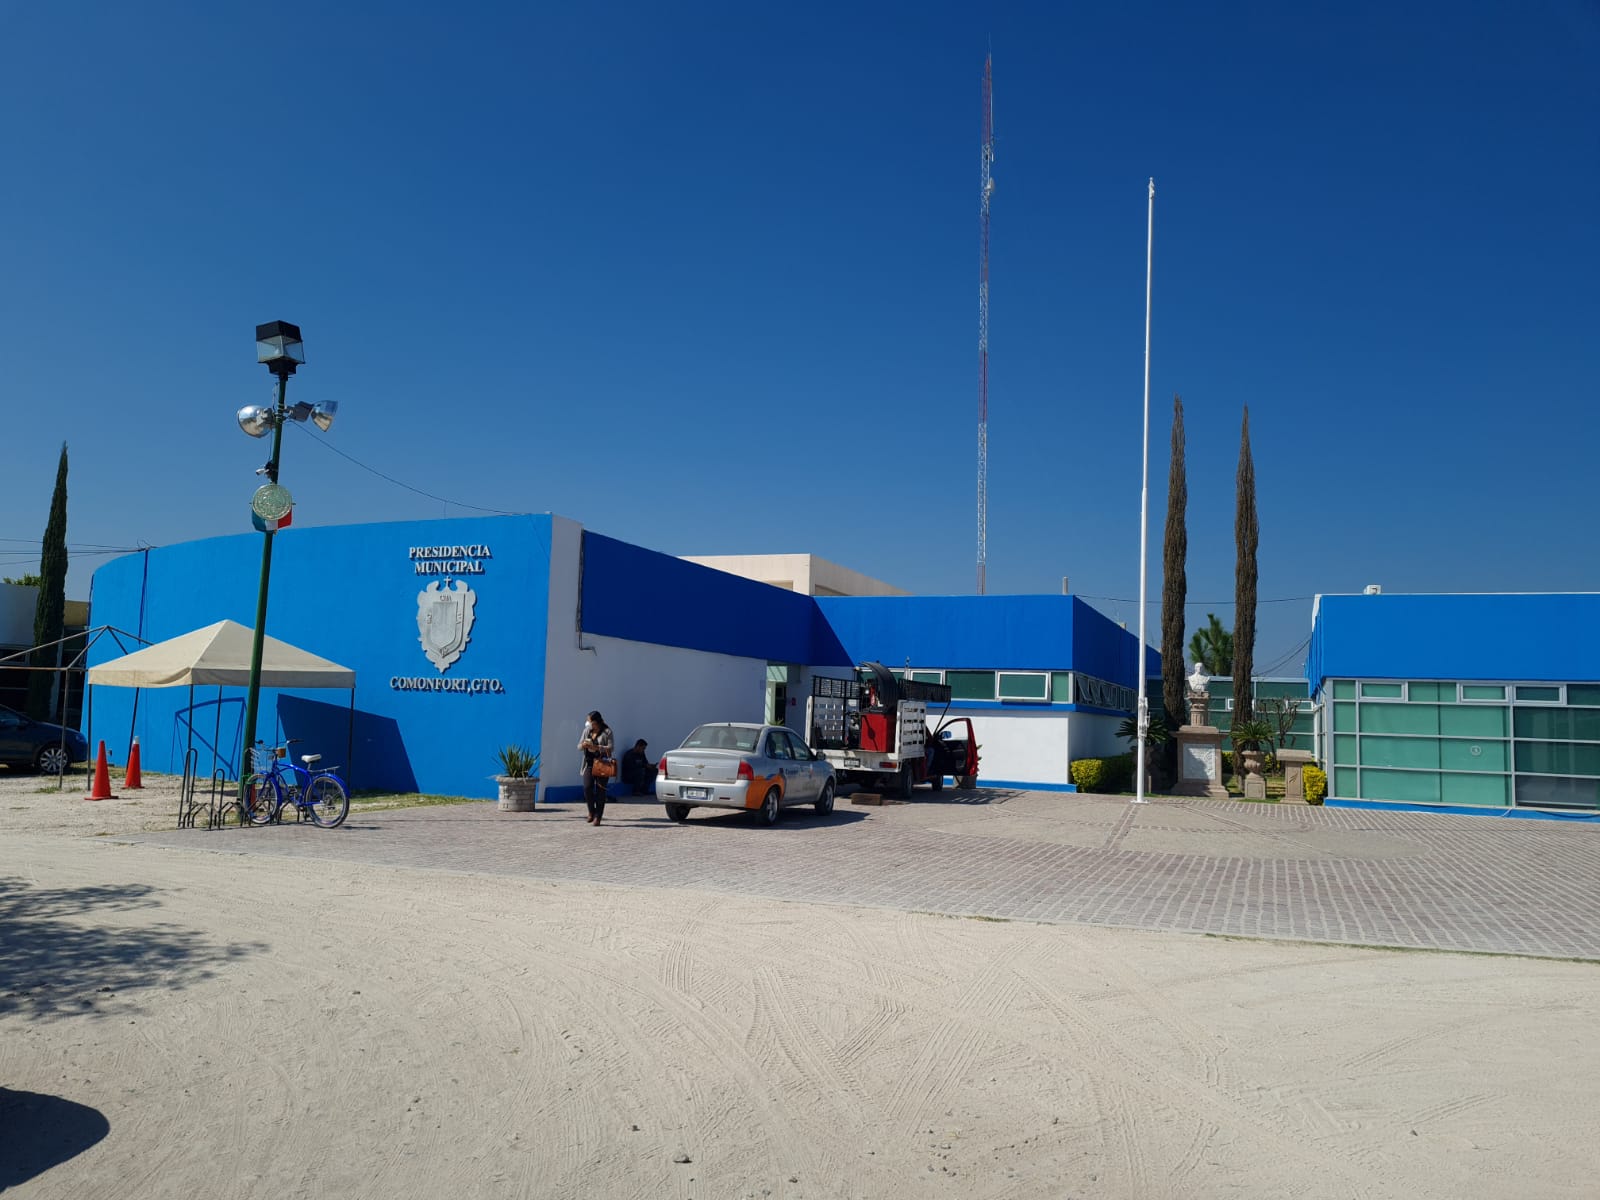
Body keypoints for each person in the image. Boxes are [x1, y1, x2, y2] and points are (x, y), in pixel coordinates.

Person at [578, 710, 614, 825]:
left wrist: (597, 747)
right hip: (589, 764)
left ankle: (598, 816)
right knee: (587, 787)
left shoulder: (607, 732)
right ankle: (591, 811)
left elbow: (610, 748)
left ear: (595, 721)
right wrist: (583, 745)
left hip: (602, 764)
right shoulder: (587, 731)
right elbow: (579, 746)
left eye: (589, 720)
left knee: (600, 791)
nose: (588, 723)